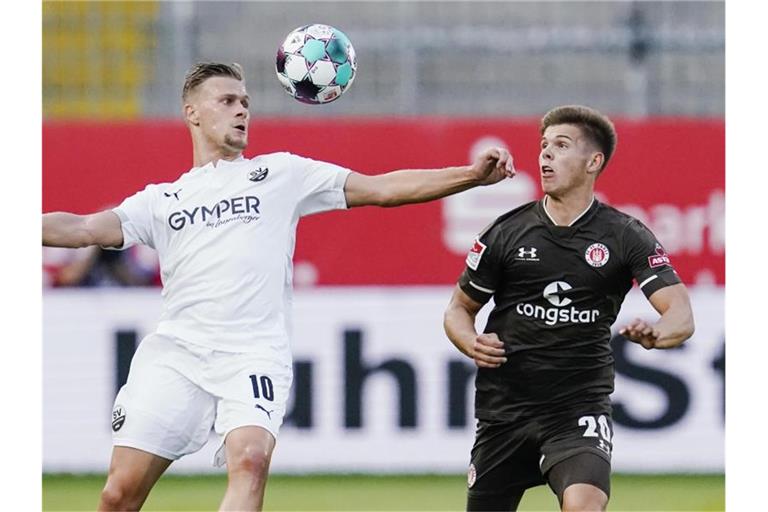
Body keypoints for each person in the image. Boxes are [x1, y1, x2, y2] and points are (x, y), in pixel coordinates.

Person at [42, 62, 515, 511]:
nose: (242, 109)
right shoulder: (162, 201)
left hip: (253, 353)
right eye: (227, 101)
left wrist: (470, 176)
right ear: (193, 113)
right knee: (118, 495)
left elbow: (381, 189)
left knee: (249, 459)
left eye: (245, 101)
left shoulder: (281, 174)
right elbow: (83, 228)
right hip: (178, 354)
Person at [443, 105, 695, 512]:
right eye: (543, 146)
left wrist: (658, 333)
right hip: (504, 410)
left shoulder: (625, 236)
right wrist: (469, 340)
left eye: (561, 146)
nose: (545, 155)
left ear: (593, 162)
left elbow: (681, 313)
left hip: (577, 408)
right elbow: (458, 309)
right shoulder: (505, 232)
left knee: (583, 505)